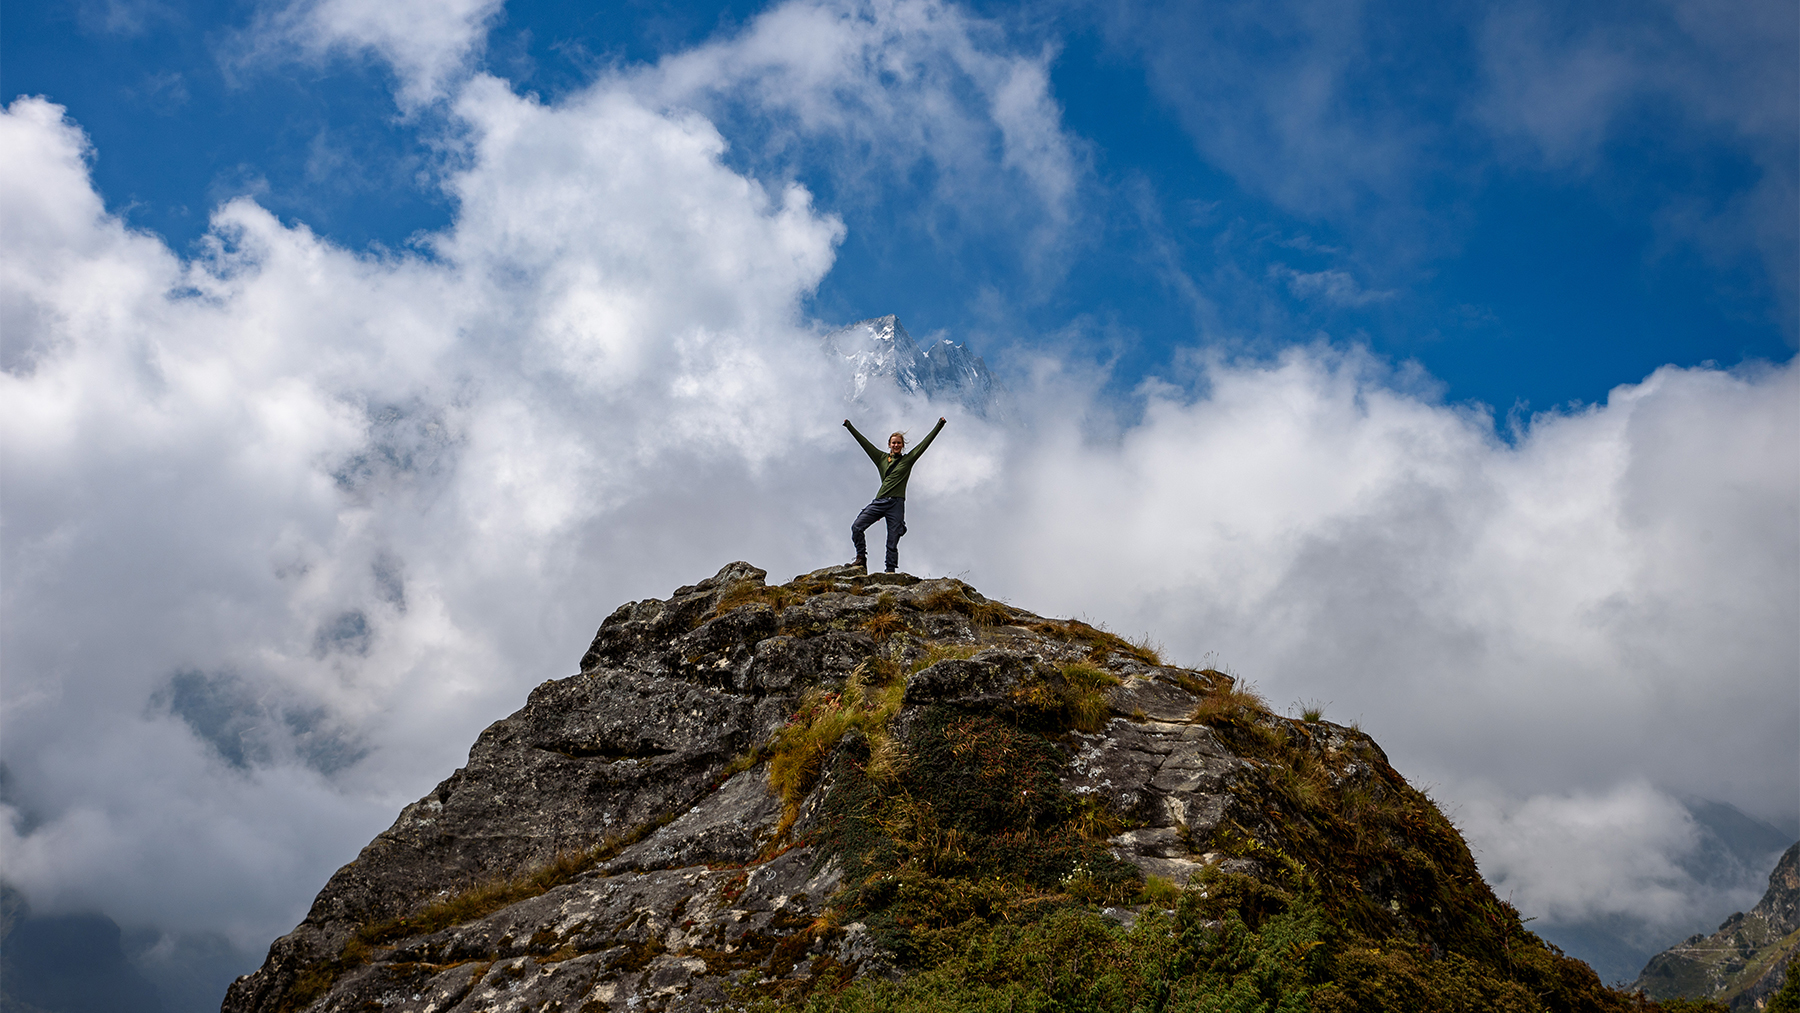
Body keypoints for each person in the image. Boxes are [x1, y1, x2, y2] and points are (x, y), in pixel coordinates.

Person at [843, 415, 946, 573]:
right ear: (889, 445)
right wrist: (849, 426)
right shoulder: (881, 459)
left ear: (902, 445)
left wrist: (939, 425)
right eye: (893, 443)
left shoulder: (908, 460)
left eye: (899, 443)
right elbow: (865, 444)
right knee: (857, 527)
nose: (896, 445)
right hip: (880, 501)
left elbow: (924, 444)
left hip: (896, 504)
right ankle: (860, 559)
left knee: (892, 540)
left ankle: (890, 571)